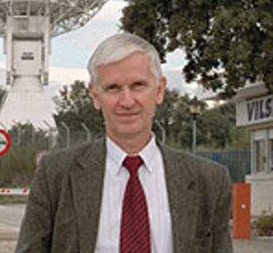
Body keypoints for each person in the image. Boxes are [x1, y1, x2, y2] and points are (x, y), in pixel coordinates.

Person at [15, 33, 233, 253]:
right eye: (113, 88)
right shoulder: (55, 175)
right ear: (95, 96)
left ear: (159, 90)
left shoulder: (209, 181)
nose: (127, 101)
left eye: (138, 85)